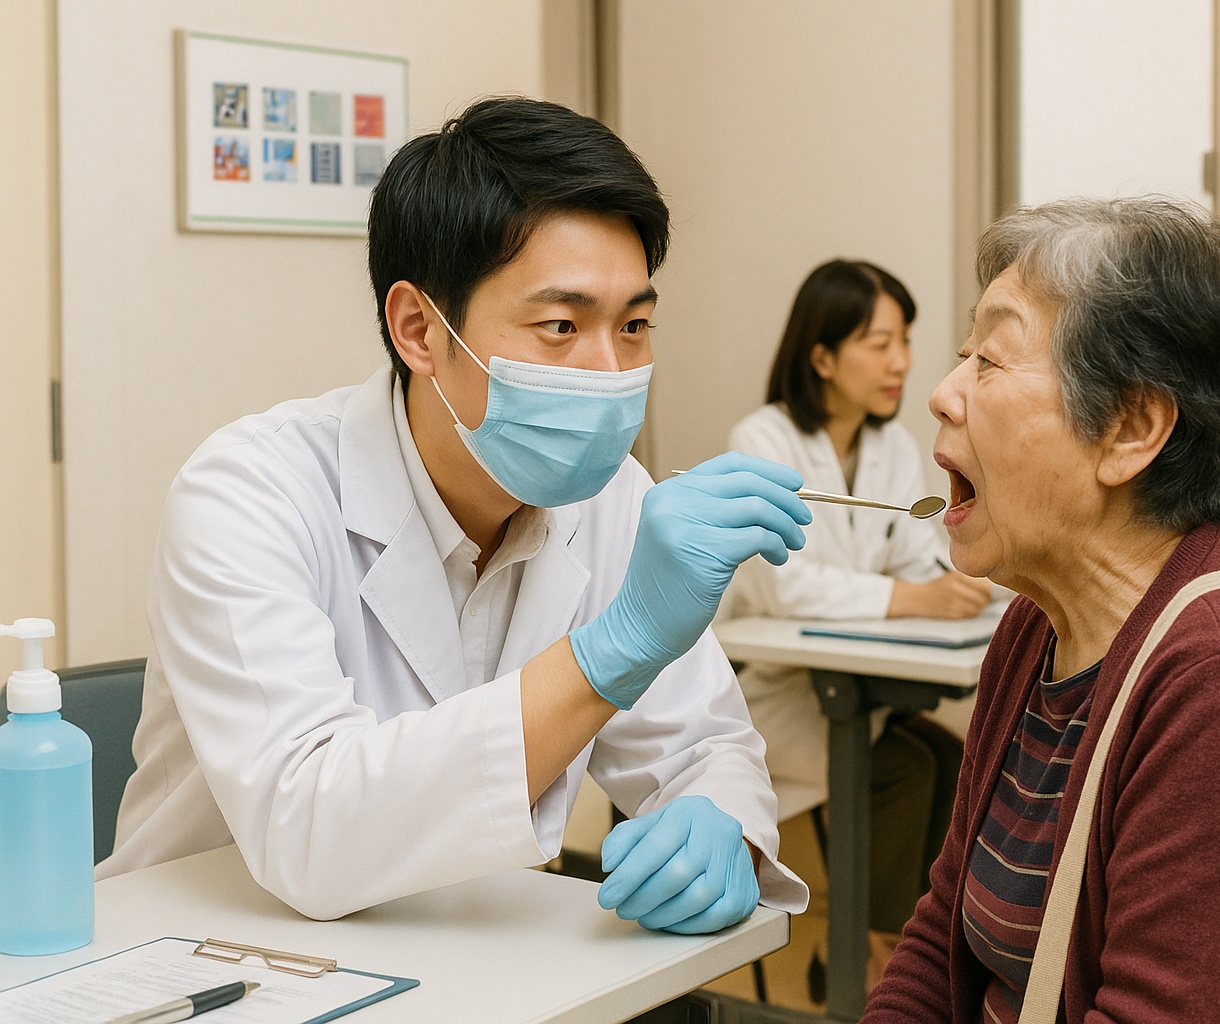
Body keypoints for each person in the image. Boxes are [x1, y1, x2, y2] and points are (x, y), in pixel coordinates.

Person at [99, 97, 815, 933]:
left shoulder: (612, 495)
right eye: (560, 325)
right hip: (214, 963)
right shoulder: (249, 493)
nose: (609, 370)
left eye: (635, 326)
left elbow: (702, 745)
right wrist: (611, 653)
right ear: (418, 329)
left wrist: (721, 823)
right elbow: (311, 834)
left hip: (473, 965)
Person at [863, 197, 1220, 1022]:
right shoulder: (1036, 626)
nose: (942, 394)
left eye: (990, 360)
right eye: (962, 354)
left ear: (1131, 429)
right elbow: (946, 930)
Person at [721, 259, 991, 971]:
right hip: (768, 693)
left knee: (947, 755)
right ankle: (876, 962)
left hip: (836, 686)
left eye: (905, 341)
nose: (901, 362)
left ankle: (907, 950)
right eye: (880, 343)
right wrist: (915, 600)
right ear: (822, 355)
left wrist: (961, 584)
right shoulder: (761, 441)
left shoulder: (890, 447)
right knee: (904, 766)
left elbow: (915, 551)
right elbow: (786, 588)